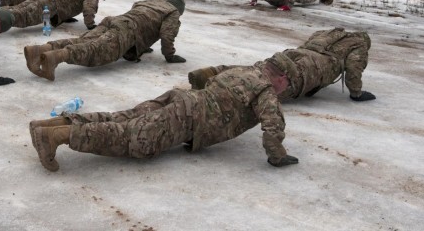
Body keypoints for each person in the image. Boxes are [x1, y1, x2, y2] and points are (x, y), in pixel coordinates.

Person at [30, 58, 297, 172]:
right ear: (281, 78)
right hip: (188, 117)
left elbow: (205, 74)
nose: (286, 91)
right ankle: (57, 136)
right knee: (132, 138)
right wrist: (278, 158)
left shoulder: (244, 69)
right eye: (288, 85)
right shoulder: (266, 91)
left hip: (179, 98)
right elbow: (272, 129)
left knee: (122, 118)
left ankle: (49, 124)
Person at [187, 27, 375, 102]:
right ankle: (217, 95)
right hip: (315, 65)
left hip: (296, 54)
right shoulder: (358, 44)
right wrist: (356, 93)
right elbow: (353, 68)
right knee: (263, 87)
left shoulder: (328, 32)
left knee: (259, 70)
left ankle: (216, 71)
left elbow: (307, 45)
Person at [24, 0, 186, 81]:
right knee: (96, 50)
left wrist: (141, 44)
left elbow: (140, 16)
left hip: (113, 20)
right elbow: (166, 34)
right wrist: (169, 55)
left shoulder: (150, 2)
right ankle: (56, 57)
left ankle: (41, 49)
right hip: (126, 30)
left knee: (82, 40)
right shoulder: (173, 13)